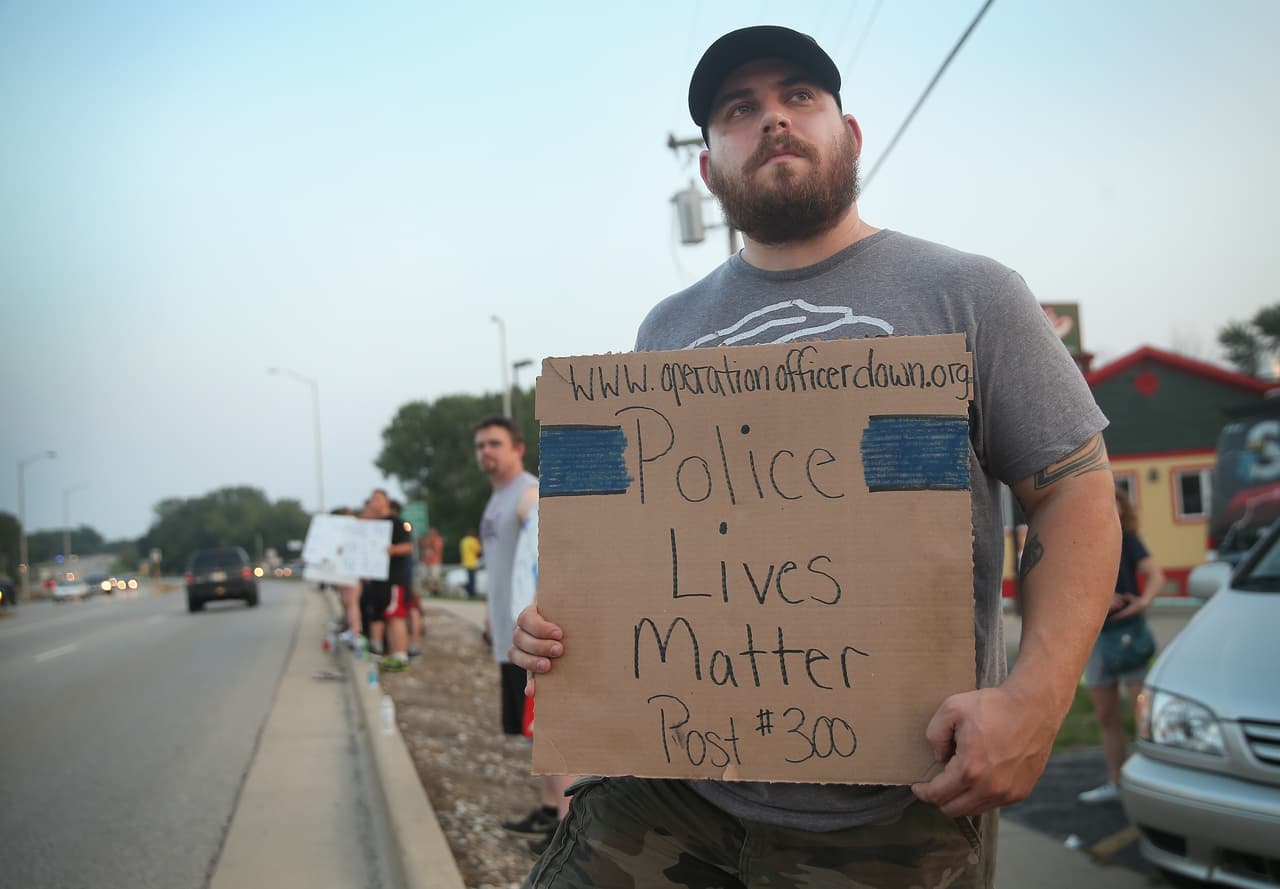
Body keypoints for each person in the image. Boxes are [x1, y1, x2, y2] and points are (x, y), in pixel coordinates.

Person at [510, 25, 1120, 888]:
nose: (773, 119)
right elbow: (643, 544)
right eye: (739, 109)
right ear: (708, 165)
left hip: (895, 812)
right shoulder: (666, 329)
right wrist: (565, 621)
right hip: (672, 792)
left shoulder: (970, 293)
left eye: (800, 96)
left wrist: (1037, 698)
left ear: (850, 133)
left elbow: (1076, 492)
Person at [472, 416, 577, 852]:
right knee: (534, 733)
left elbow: (543, 551)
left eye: (494, 443)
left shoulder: (526, 493)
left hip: (527, 634)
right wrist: (488, 618)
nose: (485, 452)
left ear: (518, 448)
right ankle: (548, 808)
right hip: (505, 633)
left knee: (550, 731)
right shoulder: (497, 497)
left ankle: (568, 830)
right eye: (479, 445)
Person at [1078, 487, 1165, 804]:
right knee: (1106, 715)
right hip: (1096, 637)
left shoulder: (1128, 539)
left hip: (1129, 634)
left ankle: (1155, 783)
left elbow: (1156, 575)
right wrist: (1097, 599)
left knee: (1143, 714)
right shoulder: (1080, 541)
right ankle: (1116, 782)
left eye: (1113, 501)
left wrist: (1143, 602)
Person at [361, 489, 415, 671]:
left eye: (378, 498)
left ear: (386, 501)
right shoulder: (372, 525)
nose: (374, 502)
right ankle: (391, 653)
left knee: (395, 617)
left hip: (394, 580)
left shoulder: (397, 523)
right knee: (383, 616)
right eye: (372, 499)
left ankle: (401, 655)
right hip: (378, 580)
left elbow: (407, 547)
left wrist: (391, 550)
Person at [421, 526, 445, 596]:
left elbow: (437, 549)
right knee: (425, 577)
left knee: (435, 578)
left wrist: (432, 542)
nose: (430, 534)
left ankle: (436, 591)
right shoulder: (426, 540)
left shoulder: (438, 540)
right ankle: (426, 591)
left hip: (435, 562)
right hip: (426, 562)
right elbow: (423, 548)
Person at [459, 528, 482, 599]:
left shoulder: (463, 540)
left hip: (465, 562)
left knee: (469, 579)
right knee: (472, 580)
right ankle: (472, 593)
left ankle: (468, 590)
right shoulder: (473, 540)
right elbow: (479, 551)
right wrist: (478, 542)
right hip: (472, 562)